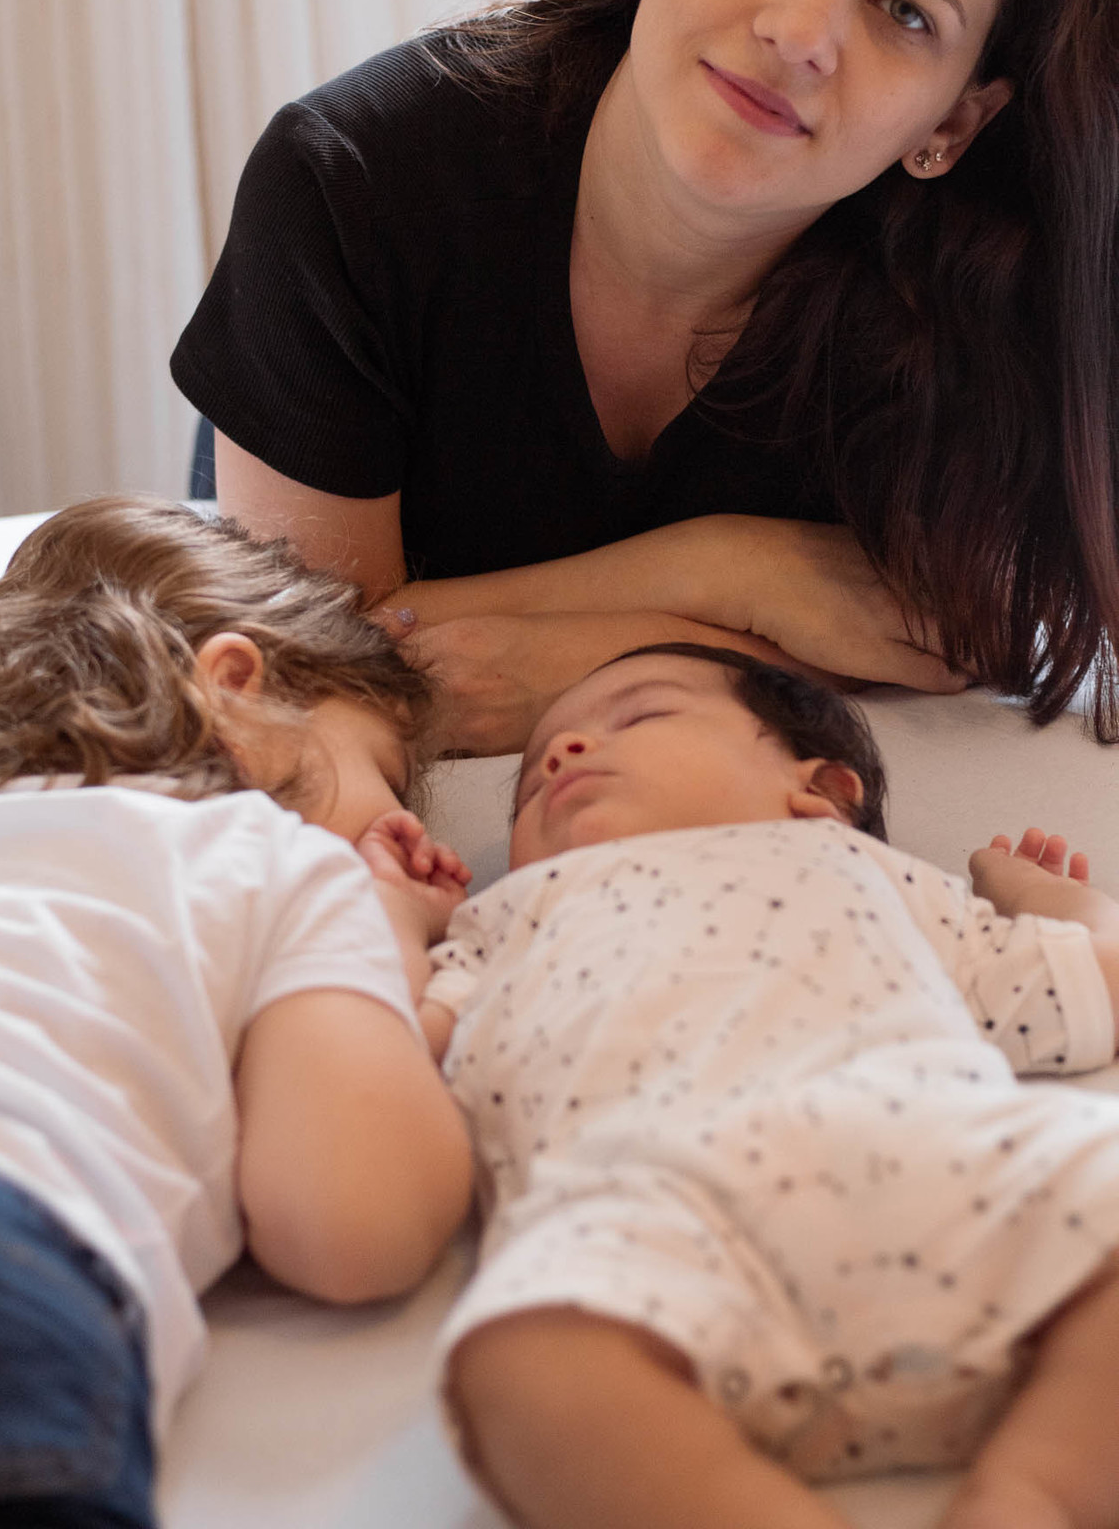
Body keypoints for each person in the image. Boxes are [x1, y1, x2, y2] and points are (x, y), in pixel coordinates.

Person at [171, 0, 1119, 755]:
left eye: (903, 11)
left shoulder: (962, 283)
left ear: (953, 124)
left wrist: (563, 658)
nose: (801, 33)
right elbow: (295, 666)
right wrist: (725, 578)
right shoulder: (351, 179)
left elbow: (959, 634)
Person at [383, 643, 1119, 1529]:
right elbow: (392, 1064)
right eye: (532, 777)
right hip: (656, 1208)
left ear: (821, 793)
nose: (558, 756)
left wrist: (1032, 892)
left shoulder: (875, 878)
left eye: (640, 716)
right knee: (524, 1360)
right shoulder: (502, 921)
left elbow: (1096, 979)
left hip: (927, 1148)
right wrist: (393, 919)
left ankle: (1032, 1494)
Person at [0, 496, 473, 1528]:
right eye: (386, 779)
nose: (399, 827)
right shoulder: (272, 860)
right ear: (235, 690)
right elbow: (360, 1222)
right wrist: (386, 932)